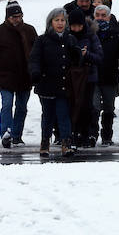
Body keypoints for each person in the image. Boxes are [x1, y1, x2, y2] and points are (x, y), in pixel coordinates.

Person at [0, 0, 38, 148]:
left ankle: (16, 135)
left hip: (25, 76)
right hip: (6, 76)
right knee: (6, 105)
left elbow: (38, 50)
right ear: (7, 17)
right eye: (14, 17)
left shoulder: (29, 30)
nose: (17, 19)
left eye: (20, 16)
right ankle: (6, 134)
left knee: (21, 107)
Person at [29, 8, 82, 157]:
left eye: (62, 20)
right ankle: (45, 142)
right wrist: (35, 72)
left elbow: (76, 60)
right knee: (48, 115)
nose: (60, 23)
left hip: (64, 84)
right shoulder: (42, 40)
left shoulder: (70, 39)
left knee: (63, 114)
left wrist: (78, 54)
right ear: (50, 22)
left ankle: (66, 143)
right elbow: (34, 59)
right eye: (57, 20)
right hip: (46, 83)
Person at [90, 4, 119, 146]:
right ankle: (92, 135)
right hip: (93, 77)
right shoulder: (89, 33)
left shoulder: (116, 32)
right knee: (94, 107)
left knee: (108, 108)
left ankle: (107, 136)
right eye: (98, 15)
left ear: (108, 16)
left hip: (110, 76)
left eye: (103, 15)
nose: (100, 18)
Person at [67, 8, 104, 147]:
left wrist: (86, 54)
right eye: (73, 26)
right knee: (73, 106)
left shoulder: (91, 35)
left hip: (89, 77)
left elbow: (100, 57)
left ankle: (87, 134)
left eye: (79, 26)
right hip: (71, 78)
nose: (76, 29)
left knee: (87, 107)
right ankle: (74, 134)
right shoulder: (67, 35)